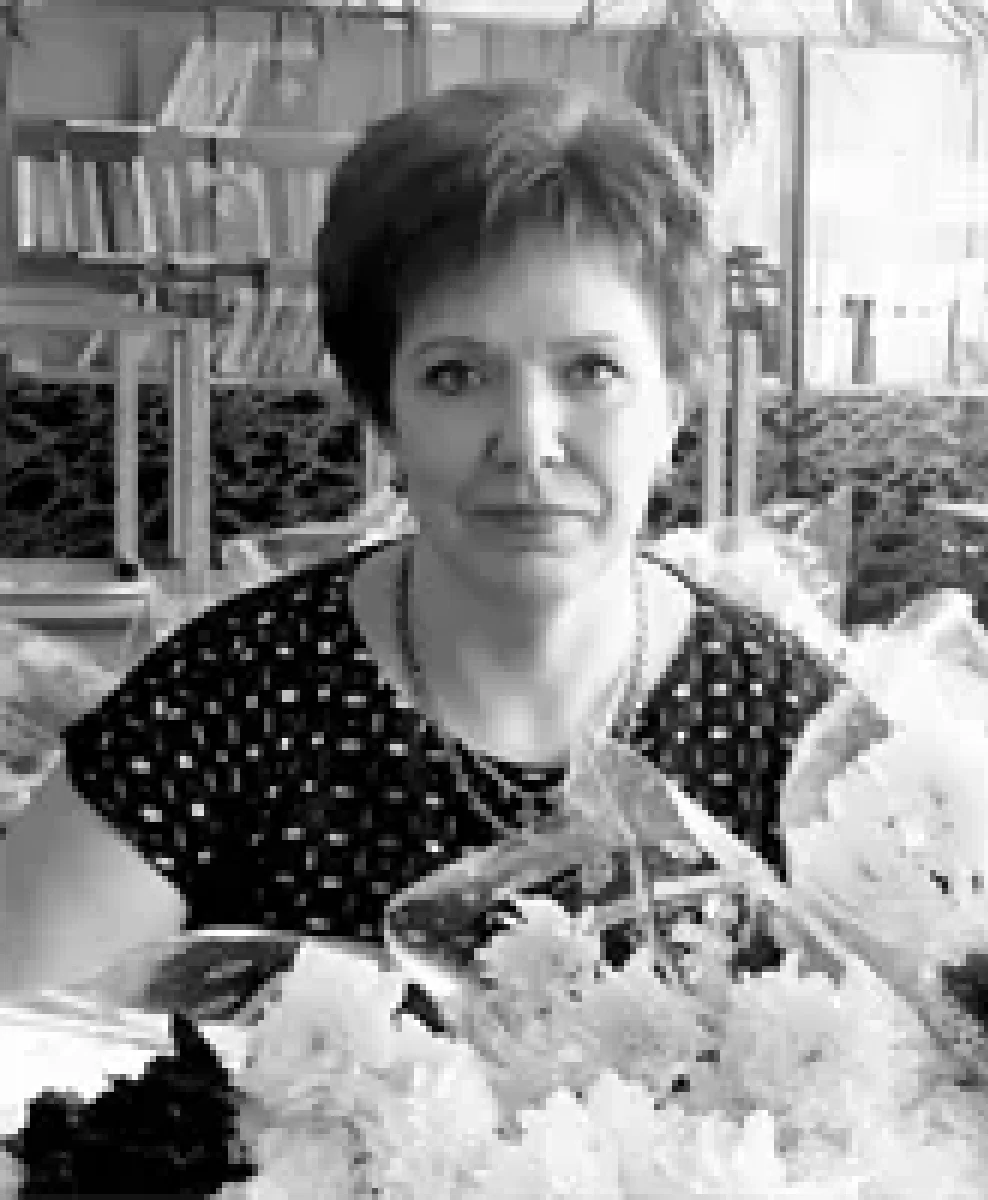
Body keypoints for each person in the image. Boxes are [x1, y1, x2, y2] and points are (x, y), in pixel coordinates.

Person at [0, 79, 836, 997]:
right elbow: (27, 1034)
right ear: (383, 415)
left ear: (674, 405)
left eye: (591, 370)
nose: (528, 441)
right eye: (455, 376)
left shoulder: (800, 738)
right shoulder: (220, 707)